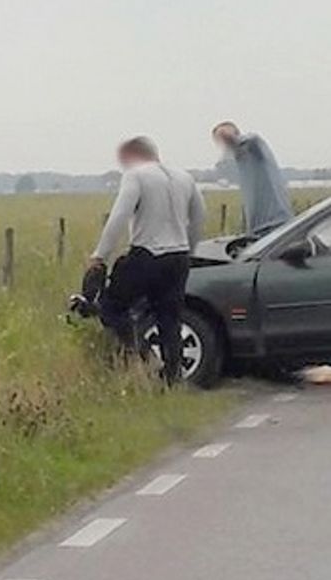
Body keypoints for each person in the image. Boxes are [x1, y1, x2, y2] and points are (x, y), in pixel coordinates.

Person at [89, 136, 206, 384]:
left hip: (148, 253)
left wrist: (100, 255)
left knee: (111, 308)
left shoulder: (136, 176)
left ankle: (146, 356)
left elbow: (119, 216)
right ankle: (173, 378)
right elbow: (198, 217)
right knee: (170, 319)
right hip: (179, 256)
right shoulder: (185, 177)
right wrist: (190, 250)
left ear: (133, 155)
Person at [212, 121, 293, 236]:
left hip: (276, 224)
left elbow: (254, 139)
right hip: (258, 229)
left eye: (224, 139)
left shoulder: (255, 151)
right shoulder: (240, 163)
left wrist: (232, 136)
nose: (224, 144)